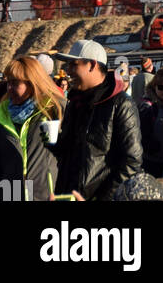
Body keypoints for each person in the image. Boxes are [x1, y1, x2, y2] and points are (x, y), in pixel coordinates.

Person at [49, 39, 142, 200]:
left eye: (73, 64)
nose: (68, 71)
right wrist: (51, 140)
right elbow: (69, 153)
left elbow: (132, 161)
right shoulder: (76, 103)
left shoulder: (121, 104)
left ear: (92, 65)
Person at [0, 55, 65, 201]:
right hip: (10, 196)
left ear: (32, 83)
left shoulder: (55, 110)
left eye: (15, 83)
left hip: (47, 195)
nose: (9, 88)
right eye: (8, 83)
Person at [138, 66, 163, 177]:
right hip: (151, 161)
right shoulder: (147, 106)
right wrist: (154, 147)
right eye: (161, 87)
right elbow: (142, 135)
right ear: (155, 86)